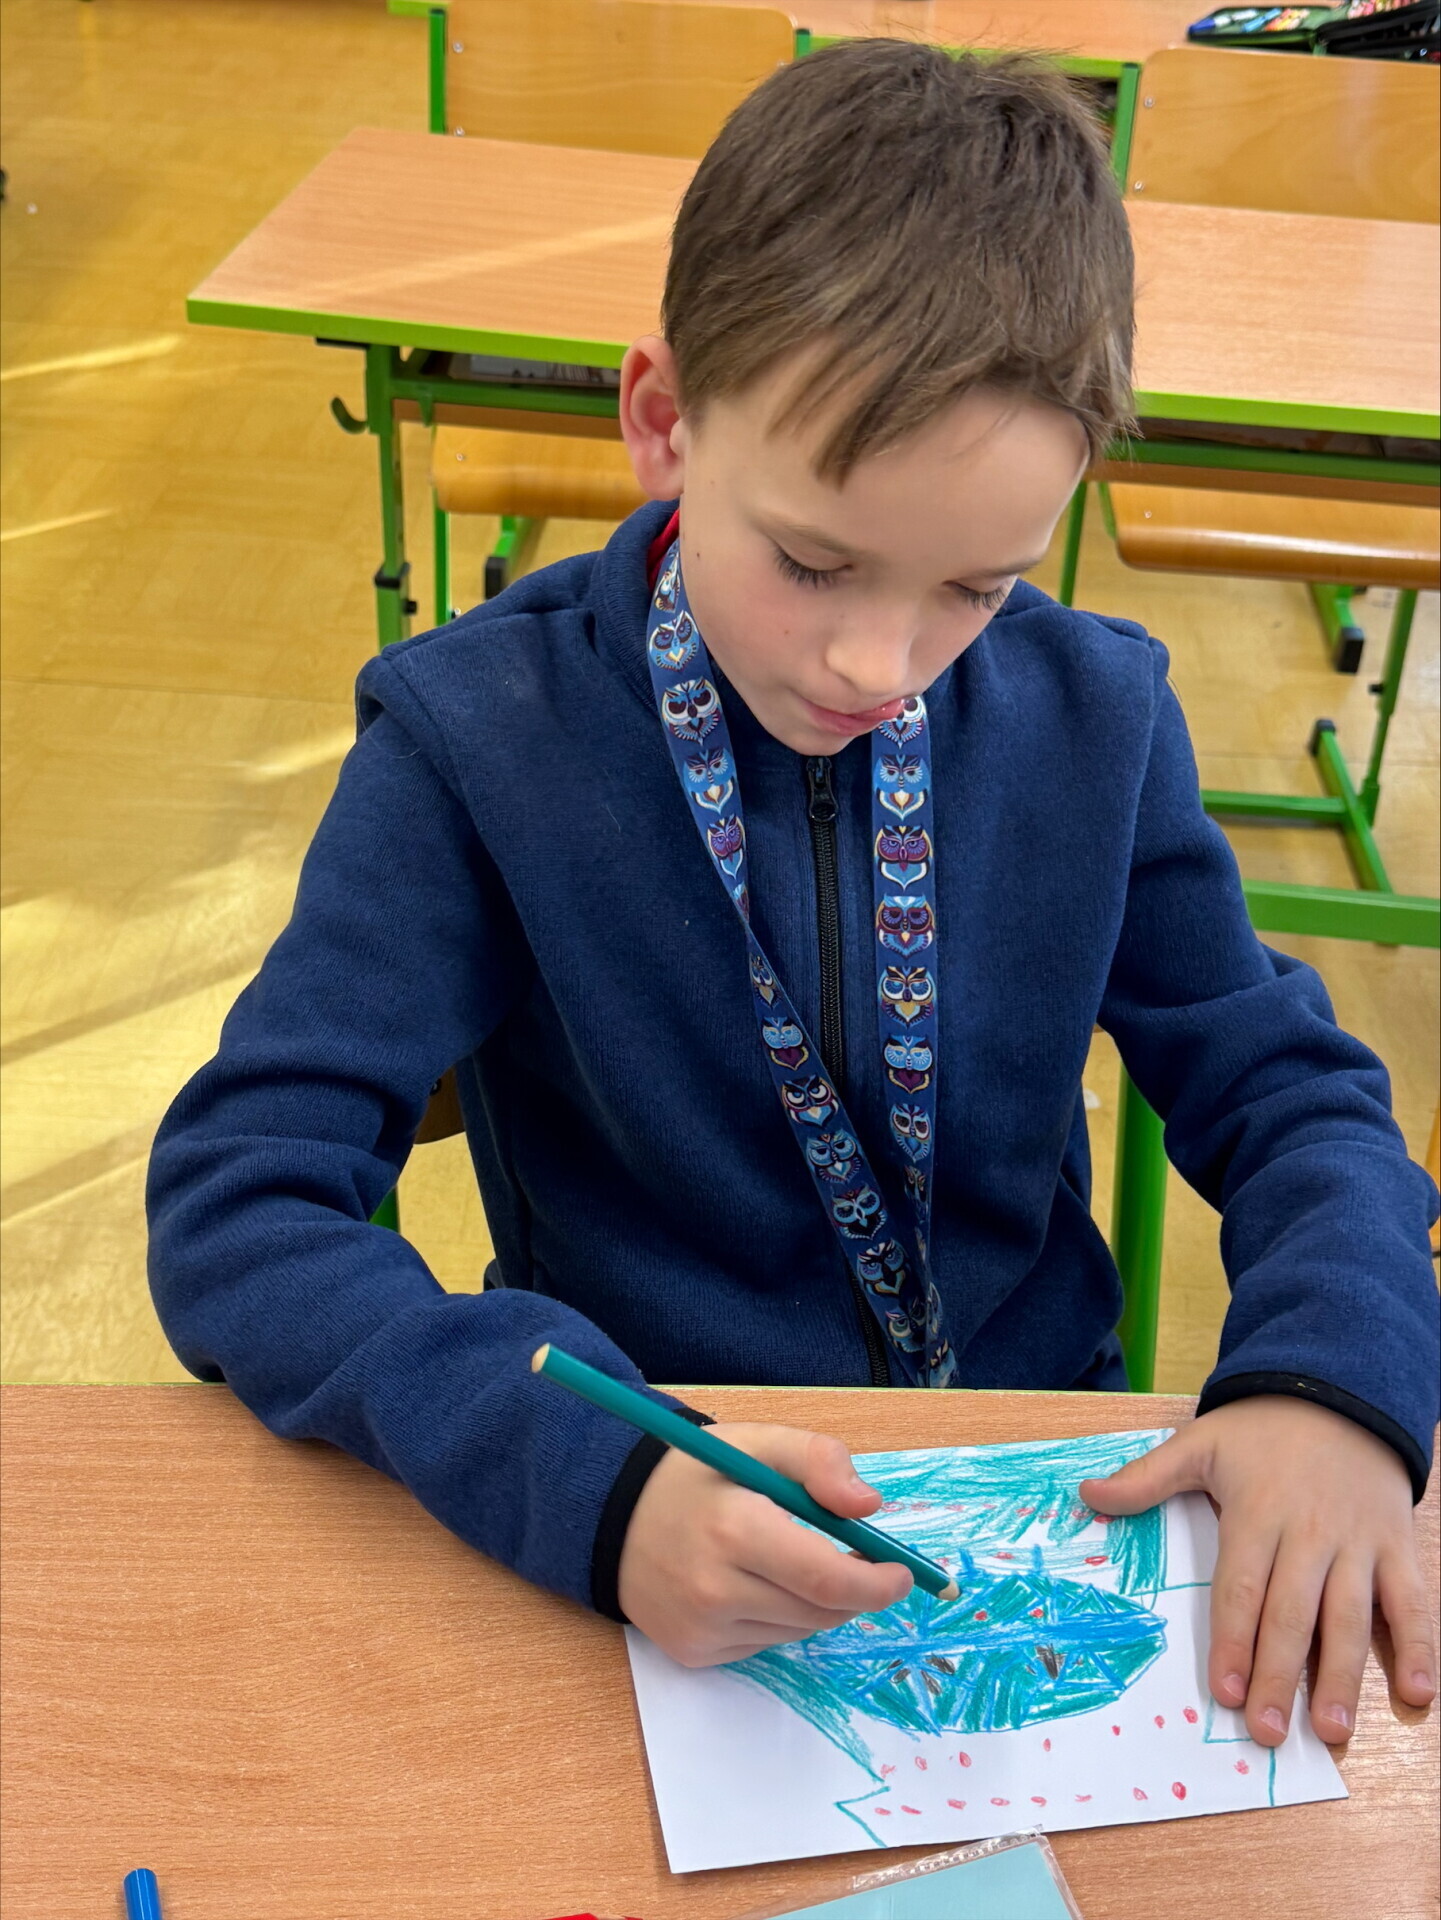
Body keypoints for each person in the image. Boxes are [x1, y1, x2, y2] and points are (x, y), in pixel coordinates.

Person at [147, 42, 1437, 1748]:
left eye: (974, 586)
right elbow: (239, 1201)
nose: (876, 664)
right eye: (813, 562)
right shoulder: (477, 741)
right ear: (662, 419)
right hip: (655, 1492)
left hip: (1037, 1483)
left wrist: (1332, 1379)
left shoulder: (1093, 720)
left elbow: (1296, 1100)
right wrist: (587, 1474)